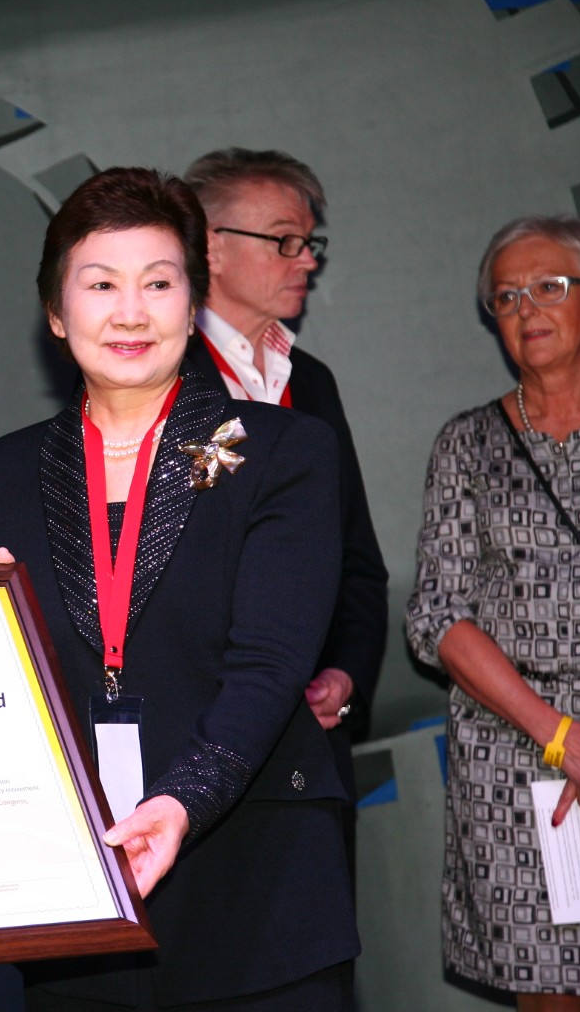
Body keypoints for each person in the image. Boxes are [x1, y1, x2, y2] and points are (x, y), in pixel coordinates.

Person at [0, 167, 358, 1009]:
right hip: (83, 887)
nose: (131, 312)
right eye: (100, 284)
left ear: (193, 303)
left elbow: (269, 662)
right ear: (56, 311)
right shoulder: (5, 471)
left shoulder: (281, 452)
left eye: (159, 283)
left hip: (257, 878)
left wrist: (184, 798)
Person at [406, 216, 580, 1012]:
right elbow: (439, 616)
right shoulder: (467, 446)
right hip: (521, 753)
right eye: (506, 297)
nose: (525, 309)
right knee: (555, 993)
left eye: (548, 287)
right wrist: (566, 739)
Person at [183, 149, 388, 783]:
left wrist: (345, 681)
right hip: (196, 743)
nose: (308, 259)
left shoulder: (313, 382)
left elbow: (356, 561)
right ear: (211, 247)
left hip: (314, 751)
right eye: (286, 241)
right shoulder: (156, 372)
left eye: (309, 241)